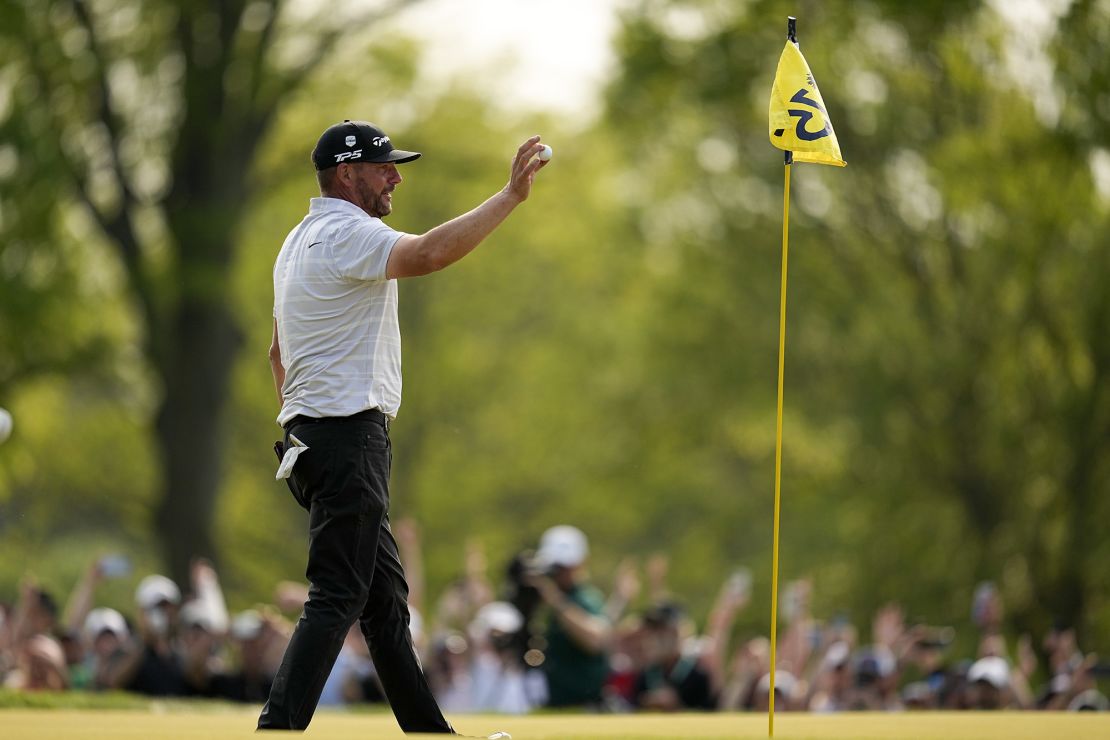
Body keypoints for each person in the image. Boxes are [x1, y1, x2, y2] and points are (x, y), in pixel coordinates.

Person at [259, 119, 546, 735]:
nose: (395, 177)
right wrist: (510, 197)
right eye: (383, 166)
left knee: (385, 609)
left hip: (313, 439)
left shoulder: (296, 241)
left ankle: (430, 734)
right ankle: (275, 731)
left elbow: (278, 355)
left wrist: (305, 421)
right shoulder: (348, 232)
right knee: (336, 596)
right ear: (346, 173)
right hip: (347, 437)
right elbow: (430, 253)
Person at [525, 525, 613, 708]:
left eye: (562, 567)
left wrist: (556, 601)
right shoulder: (554, 599)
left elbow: (596, 640)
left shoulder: (584, 597)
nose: (556, 573)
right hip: (557, 703)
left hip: (585, 705)